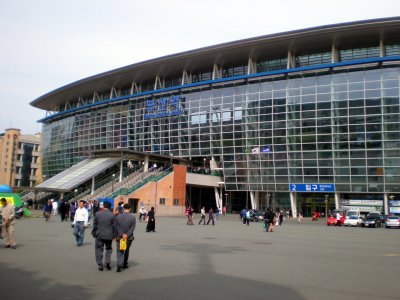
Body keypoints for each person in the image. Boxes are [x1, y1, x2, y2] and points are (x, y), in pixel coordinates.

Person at [92, 201, 115, 271]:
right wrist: (114, 235)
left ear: (103, 206)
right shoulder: (112, 215)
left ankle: (100, 264)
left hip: (99, 234)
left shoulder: (97, 214)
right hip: (109, 235)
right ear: (109, 207)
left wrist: (94, 232)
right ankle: (107, 262)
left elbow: (95, 224)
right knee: (108, 249)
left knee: (99, 249)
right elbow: (114, 226)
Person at [115, 203, 136, 272]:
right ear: (130, 209)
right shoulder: (133, 217)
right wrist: (126, 235)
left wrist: (122, 234)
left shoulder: (118, 217)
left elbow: (117, 227)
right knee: (126, 250)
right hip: (128, 238)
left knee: (120, 251)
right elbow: (132, 228)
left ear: (123, 209)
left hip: (120, 237)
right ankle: (124, 264)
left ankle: (119, 265)